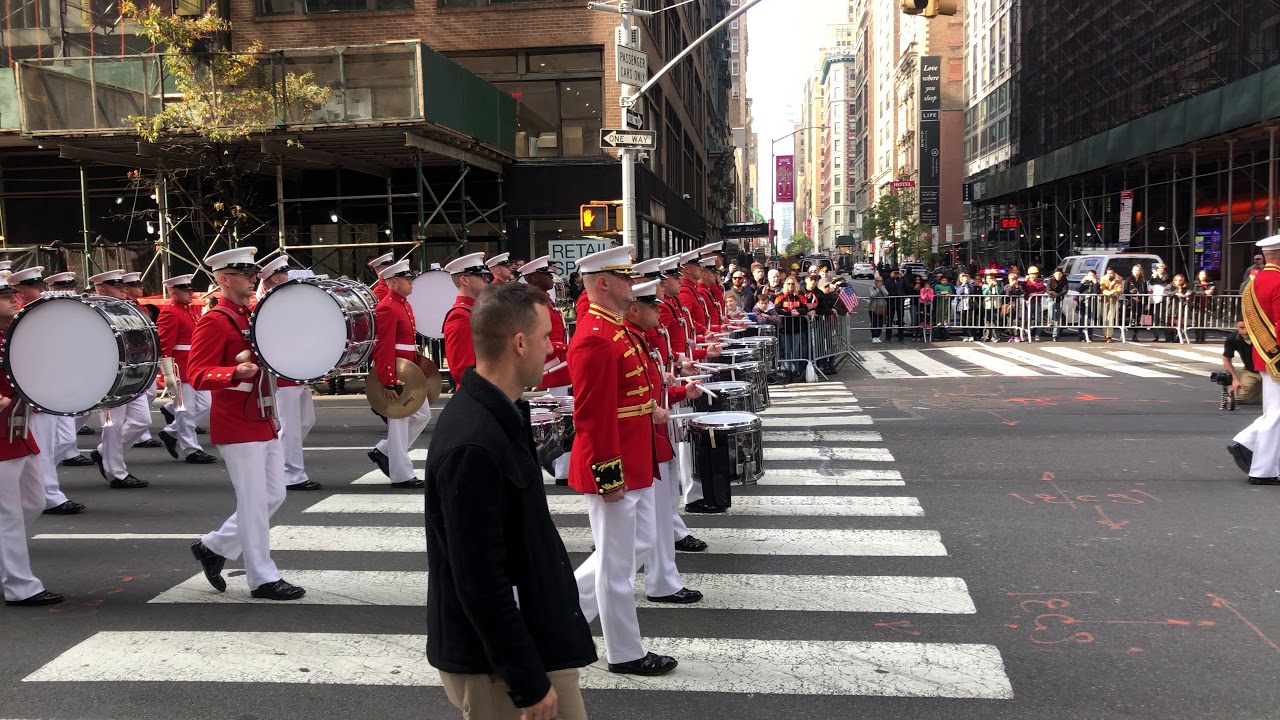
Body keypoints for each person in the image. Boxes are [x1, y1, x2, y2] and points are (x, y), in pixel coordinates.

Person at [425, 282, 596, 720]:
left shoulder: (497, 413)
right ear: (519, 344)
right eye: (544, 337)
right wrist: (526, 680)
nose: (552, 346)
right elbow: (479, 578)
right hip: (501, 669)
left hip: (528, 644)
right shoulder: (475, 442)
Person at [569, 244, 678, 677]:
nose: (633, 285)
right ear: (603, 283)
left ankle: (558, 613)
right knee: (616, 567)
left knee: (638, 546)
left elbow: (625, 394)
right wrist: (608, 476)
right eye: (626, 278)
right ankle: (625, 652)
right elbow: (592, 419)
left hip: (634, 456)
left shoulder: (614, 329)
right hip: (613, 464)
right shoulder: (595, 336)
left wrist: (650, 409)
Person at [187, 246, 304, 601]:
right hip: (237, 421)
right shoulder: (215, 320)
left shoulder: (248, 315)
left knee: (273, 493)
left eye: (253, 272)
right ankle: (262, 578)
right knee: (254, 501)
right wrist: (231, 372)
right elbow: (196, 373)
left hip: (262, 417)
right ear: (224, 279)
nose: (254, 277)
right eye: (245, 273)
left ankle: (213, 546)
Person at [624, 278, 703, 604]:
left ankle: (662, 581)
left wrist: (683, 390)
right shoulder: (626, 340)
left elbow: (653, 393)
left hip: (656, 439)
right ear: (634, 309)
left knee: (660, 516)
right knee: (644, 531)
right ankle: (658, 582)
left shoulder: (639, 339)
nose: (658, 309)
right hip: (641, 444)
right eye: (651, 305)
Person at [0, 274, 64, 606]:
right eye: (4, 295)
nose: (13, 298)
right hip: (1, 439)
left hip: (20, 433)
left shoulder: (13, 335)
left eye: (12, 293)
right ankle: (20, 586)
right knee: (8, 514)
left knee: (33, 502)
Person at [5, 267, 84, 517]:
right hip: (24, 402)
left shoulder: (37, 315)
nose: (42, 290)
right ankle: (51, 494)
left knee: (63, 441)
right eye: (35, 287)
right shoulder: (19, 320)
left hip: (46, 391)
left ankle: (46, 488)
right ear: (21, 291)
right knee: (40, 453)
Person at [256, 256, 321, 491]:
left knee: (306, 421)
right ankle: (293, 474)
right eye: (285, 273)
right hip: (283, 374)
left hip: (299, 370)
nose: (289, 276)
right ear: (275, 278)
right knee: (291, 426)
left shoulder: (286, 301)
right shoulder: (268, 304)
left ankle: (276, 461)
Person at [367, 260, 431, 489]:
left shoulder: (402, 303)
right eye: (406, 278)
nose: (410, 282)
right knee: (399, 422)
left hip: (408, 370)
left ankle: (384, 451)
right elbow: (383, 347)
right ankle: (401, 474)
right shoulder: (387, 306)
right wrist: (388, 380)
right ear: (393, 282)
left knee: (422, 415)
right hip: (397, 371)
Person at [88, 270, 149, 489]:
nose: (123, 290)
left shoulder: (125, 308)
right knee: (113, 426)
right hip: (108, 375)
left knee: (142, 421)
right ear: (102, 290)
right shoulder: (92, 312)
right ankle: (116, 472)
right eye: (116, 287)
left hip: (131, 372)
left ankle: (104, 453)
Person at [1229, 236, 1280, 485]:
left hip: (1263, 355)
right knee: (1277, 415)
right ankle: (1263, 470)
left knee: (1274, 412)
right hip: (1277, 356)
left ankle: (1247, 441)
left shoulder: (1253, 282)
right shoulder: (1279, 281)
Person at [156, 274, 218, 465]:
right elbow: (165, 346)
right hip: (180, 368)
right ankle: (191, 449)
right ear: (173, 292)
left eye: (190, 289)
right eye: (185, 290)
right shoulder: (170, 313)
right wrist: (167, 373)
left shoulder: (187, 310)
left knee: (206, 404)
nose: (190, 293)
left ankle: (170, 432)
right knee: (185, 411)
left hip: (194, 365)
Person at [42, 272, 96, 468]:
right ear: (52, 289)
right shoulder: (42, 313)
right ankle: (45, 478)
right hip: (49, 382)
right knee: (49, 441)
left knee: (66, 435)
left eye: (70, 286)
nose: (68, 291)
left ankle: (47, 470)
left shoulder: (77, 310)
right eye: (62, 287)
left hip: (71, 374)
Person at [442, 252, 490, 390]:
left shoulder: (474, 310)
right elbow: (462, 369)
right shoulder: (460, 316)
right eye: (481, 276)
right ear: (465, 280)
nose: (487, 279)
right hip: (477, 393)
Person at [1223, 320, 1262, 406]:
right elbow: (1226, 360)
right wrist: (1234, 379)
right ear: (1236, 327)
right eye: (1242, 328)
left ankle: (1268, 393)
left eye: (1248, 327)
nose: (1246, 331)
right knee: (1236, 398)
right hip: (1250, 370)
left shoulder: (1262, 335)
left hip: (1270, 371)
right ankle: (1261, 395)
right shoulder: (1232, 338)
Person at [1192, 269, 1218, 343]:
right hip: (1198, 304)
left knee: (1204, 322)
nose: (1202, 276)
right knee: (1197, 322)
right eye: (1201, 275)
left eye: (1204, 274)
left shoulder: (1211, 283)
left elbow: (1216, 292)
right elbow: (1194, 292)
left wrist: (1212, 292)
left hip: (1207, 304)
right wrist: (1204, 292)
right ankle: (1197, 338)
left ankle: (1202, 338)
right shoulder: (1195, 283)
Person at [1100, 266, 1124, 343]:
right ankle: (1105, 335)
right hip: (1104, 300)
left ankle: (1109, 336)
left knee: (1110, 318)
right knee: (1104, 318)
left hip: (1113, 300)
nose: (1110, 275)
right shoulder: (1103, 278)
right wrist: (1110, 292)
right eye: (1108, 273)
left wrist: (1115, 292)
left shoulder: (1119, 278)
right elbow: (1103, 289)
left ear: (1114, 273)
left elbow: (1119, 289)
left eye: (1111, 273)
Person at [1077, 269, 1101, 343]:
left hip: (1091, 303)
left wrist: (1095, 283)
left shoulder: (1096, 283)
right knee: (1081, 319)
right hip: (1082, 303)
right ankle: (1081, 335)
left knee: (1090, 320)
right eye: (1089, 275)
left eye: (1093, 275)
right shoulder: (1084, 283)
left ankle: (1089, 335)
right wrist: (1082, 282)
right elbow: (1078, 289)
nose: (1091, 277)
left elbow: (1097, 291)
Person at [1046, 268, 1069, 341]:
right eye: (1057, 274)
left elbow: (1065, 290)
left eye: (1060, 274)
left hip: (1059, 299)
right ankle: (1051, 321)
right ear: (1054, 274)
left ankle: (1055, 335)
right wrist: (1054, 294)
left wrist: (1059, 294)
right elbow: (1048, 290)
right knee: (1051, 307)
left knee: (1058, 317)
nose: (1058, 276)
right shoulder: (1050, 280)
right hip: (1051, 298)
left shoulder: (1064, 280)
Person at [868, 275, 889, 343]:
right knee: (874, 323)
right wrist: (877, 289)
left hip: (881, 307)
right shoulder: (872, 287)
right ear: (875, 281)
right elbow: (872, 295)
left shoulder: (883, 287)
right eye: (878, 281)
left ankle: (878, 336)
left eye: (881, 281)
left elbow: (886, 294)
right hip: (873, 308)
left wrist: (881, 288)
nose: (879, 282)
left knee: (880, 322)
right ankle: (874, 336)